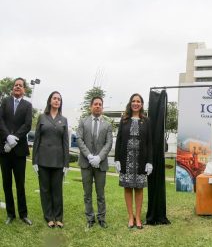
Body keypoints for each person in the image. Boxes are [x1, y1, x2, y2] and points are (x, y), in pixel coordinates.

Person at [115, 93, 153, 229]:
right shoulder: (124, 119)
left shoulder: (146, 121)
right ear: (130, 103)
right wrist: (117, 159)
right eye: (133, 101)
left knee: (139, 189)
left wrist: (149, 161)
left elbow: (149, 142)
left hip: (141, 160)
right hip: (126, 159)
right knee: (127, 187)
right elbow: (119, 140)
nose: (136, 103)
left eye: (138, 101)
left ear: (141, 104)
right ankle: (130, 217)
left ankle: (138, 217)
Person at [32, 91, 69, 228]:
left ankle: (58, 217)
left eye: (59, 99)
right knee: (45, 190)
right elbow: (36, 140)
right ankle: (49, 217)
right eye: (54, 98)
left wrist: (66, 164)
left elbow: (66, 143)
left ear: (60, 102)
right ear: (50, 101)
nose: (56, 101)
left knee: (57, 190)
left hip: (58, 161)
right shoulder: (42, 117)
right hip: (43, 160)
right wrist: (34, 160)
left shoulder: (63, 120)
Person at [0, 78, 33, 225]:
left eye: (20, 85)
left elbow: (27, 125)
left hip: (19, 151)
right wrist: (7, 137)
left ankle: (23, 214)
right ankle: (10, 214)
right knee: (7, 183)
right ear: (12, 88)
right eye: (15, 85)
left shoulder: (28, 105)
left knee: (20, 184)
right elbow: (0, 120)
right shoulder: (5, 101)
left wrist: (15, 138)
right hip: (4, 150)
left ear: (24, 89)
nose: (17, 87)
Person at [77, 96, 113, 229]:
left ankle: (101, 218)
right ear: (91, 106)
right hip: (86, 164)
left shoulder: (108, 124)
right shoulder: (83, 121)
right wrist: (89, 156)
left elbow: (109, 143)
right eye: (95, 104)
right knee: (87, 193)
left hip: (101, 164)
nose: (98, 106)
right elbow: (79, 140)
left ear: (102, 107)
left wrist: (99, 158)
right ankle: (90, 218)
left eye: (100, 104)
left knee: (100, 194)